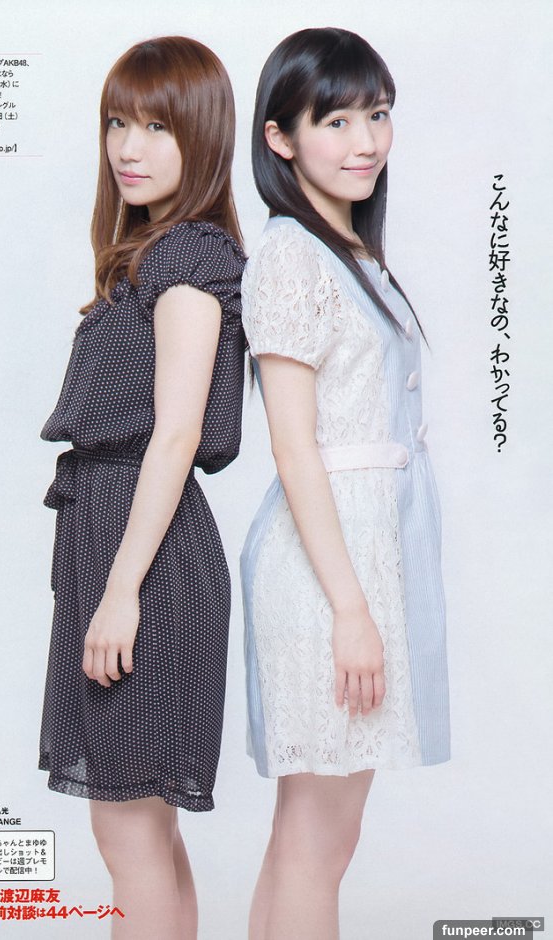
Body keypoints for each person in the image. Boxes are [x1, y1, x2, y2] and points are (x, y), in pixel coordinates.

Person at [240, 27, 450, 939]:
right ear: (280, 138)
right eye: (336, 121)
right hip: (328, 570)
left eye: (378, 114)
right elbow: (294, 450)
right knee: (315, 840)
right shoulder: (292, 254)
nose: (366, 141)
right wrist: (352, 611)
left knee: (316, 837)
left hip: (359, 556)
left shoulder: (347, 251)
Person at [38, 36, 245, 940]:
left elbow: (178, 433)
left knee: (129, 834)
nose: (129, 146)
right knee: (145, 835)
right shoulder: (148, 255)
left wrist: (120, 591)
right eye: (118, 123)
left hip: (146, 560)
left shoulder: (189, 258)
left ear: (203, 137)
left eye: (158, 127)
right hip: (120, 541)